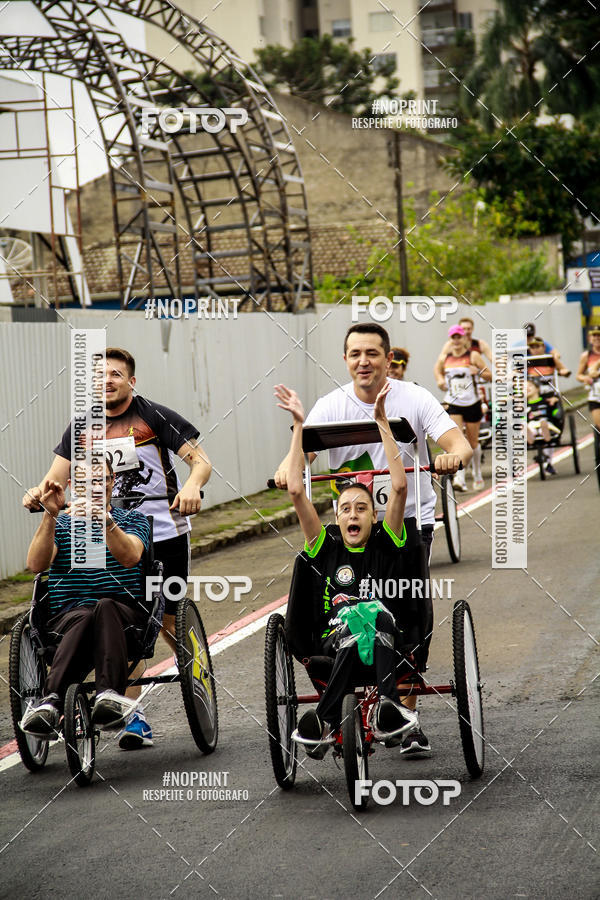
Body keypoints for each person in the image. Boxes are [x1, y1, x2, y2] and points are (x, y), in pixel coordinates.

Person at [274, 322, 472, 755]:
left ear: (388, 358)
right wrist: (292, 452)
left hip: (404, 527)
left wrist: (453, 454)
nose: (363, 361)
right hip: (350, 529)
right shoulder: (330, 406)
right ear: (346, 360)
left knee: (405, 608)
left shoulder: (414, 398)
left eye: (372, 353)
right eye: (355, 354)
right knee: (352, 611)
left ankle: (403, 716)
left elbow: (456, 442)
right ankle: (350, 712)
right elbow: (296, 470)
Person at [22, 347, 212, 749]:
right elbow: (54, 480)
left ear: (131, 381)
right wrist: (39, 496)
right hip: (98, 531)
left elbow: (200, 462)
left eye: (116, 374)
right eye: (100, 375)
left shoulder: (154, 416)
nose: (107, 380)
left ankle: (195, 681)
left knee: (166, 620)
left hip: (161, 530)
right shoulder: (80, 429)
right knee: (109, 603)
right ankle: (132, 712)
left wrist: (193, 485)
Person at [275, 381, 419, 757]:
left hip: (386, 634)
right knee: (358, 621)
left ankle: (327, 716)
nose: (352, 513)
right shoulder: (324, 545)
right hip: (334, 637)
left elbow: (400, 487)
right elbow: (294, 490)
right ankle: (385, 708)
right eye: (345, 509)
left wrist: (382, 421)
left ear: (375, 515)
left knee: (375, 615)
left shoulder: (387, 541)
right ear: (336, 518)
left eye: (361, 508)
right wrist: (298, 428)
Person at [20, 457, 151, 736]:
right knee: (84, 614)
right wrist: (50, 516)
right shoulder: (62, 525)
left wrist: (106, 523)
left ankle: (109, 697)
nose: (93, 487)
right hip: (70, 620)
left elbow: (131, 557)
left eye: (100, 479)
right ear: (72, 486)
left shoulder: (133, 520)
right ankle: (52, 701)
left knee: (103, 606)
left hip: (123, 618)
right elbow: (36, 565)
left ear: (112, 481)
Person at [434, 325, 491, 492]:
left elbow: (490, 376)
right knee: (458, 439)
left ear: (464, 339)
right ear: (450, 340)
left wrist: (478, 372)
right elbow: (437, 371)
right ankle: (460, 478)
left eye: (459, 337)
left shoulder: (473, 355)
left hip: (472, 403)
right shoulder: (445, 358)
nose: (457, 340)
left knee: (472, 442)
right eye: (454, 337)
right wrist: (439, 381)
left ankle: (478, 474)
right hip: (453, 403)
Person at [526, 380, 562, 473]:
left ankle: (543, 432)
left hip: (546, 424)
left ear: (537, 388)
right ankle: (530, 436)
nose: (526, 388)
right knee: (528, 426)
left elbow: (555, 413)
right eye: (522, 388)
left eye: (529, 386)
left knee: (545, 425)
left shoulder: (546, 402)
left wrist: (556, 406)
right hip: (532, 425)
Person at [576, 326, 600, 433]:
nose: (596, 338)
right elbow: (579, 375)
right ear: (590, 338)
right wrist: (585, 378)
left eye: (599, 335)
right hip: (595, 396)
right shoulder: (586, 355)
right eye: (594, 335)